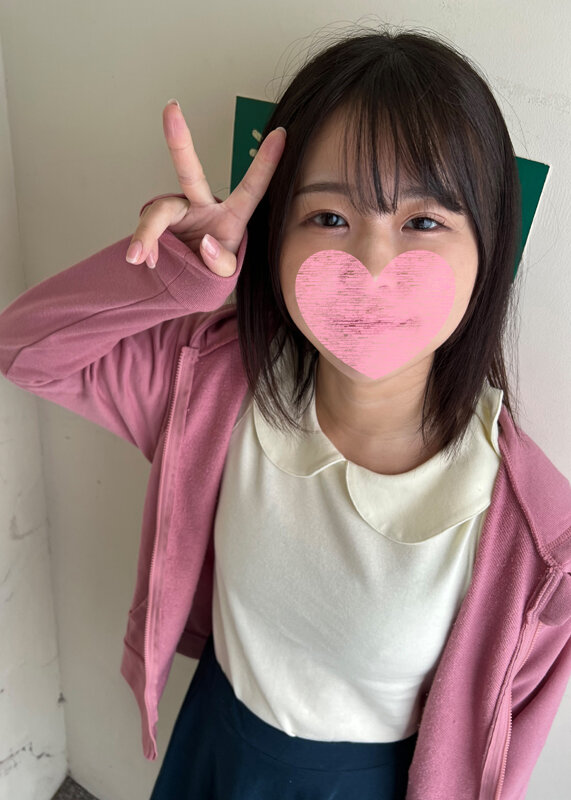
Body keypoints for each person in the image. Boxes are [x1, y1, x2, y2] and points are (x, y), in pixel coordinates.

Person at [0, 26, 570, 800]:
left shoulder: (539, 543)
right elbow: (26, 351)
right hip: (214, 741)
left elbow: (493, 762)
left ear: (491, 246)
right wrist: (179, 278)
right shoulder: (213, 388)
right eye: (329, 217)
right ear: (276, 238)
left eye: (423, 221)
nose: (372, 262)